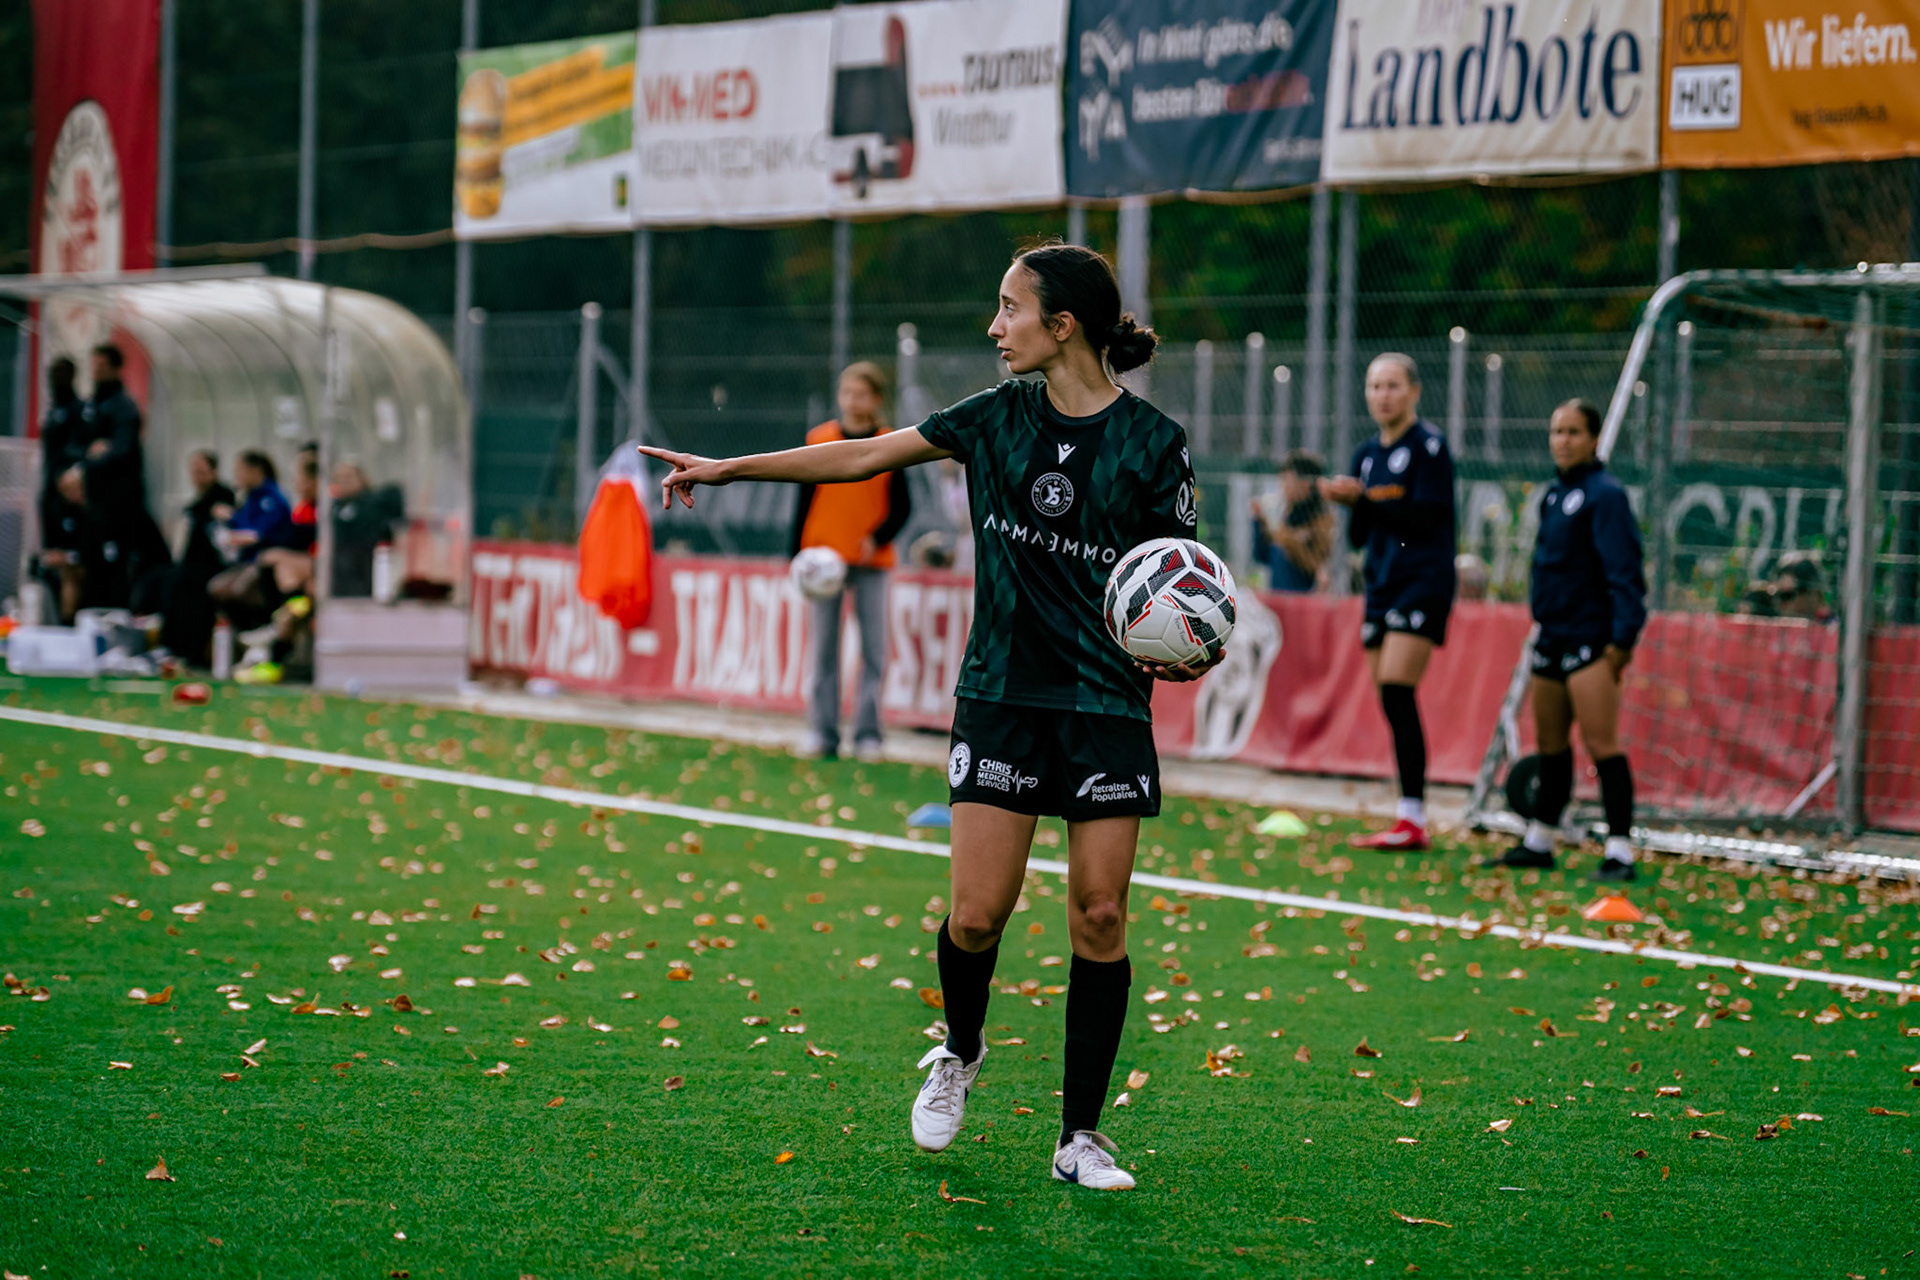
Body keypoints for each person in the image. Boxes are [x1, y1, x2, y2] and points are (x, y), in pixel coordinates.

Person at [641, 240, 1211, 1192]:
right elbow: (864, 453)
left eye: (1008, 308)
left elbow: (1180, 581)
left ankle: (1079, 1137)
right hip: (999, 696)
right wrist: (730, 468)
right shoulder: (993, 417)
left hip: (1107, 705)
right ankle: (963, 1050)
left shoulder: (1156, 443)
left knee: (1101, 914)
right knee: (979, 917)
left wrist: (1191, 636)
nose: (994, 327)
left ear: (1061, 325)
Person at [1494, 398, 1647, 882]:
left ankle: (1620, 848)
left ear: (1594, 438)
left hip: (1590, 640)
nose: (1563, 441)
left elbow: (1626, 575)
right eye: (1557, 431)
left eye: (1574, 432)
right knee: (1551, 745)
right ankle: (1540, 838)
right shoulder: (1554, 494)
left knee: (1603, 745)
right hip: (1551, 638)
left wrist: (1620, 642)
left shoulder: (1606, 496)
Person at [1318, 353, 1457, 852]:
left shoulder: (1430, 448)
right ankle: (1408, 815)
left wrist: (1367, 501)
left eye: (1393, 385)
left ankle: (1414, 817)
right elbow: (1358, 536)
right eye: (1375, 386)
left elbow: (1424, 519)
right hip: (1380, 587)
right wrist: (1349, 502)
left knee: (1397, 688)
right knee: (1391, 699)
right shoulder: (1365, 454)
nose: (1383, 395)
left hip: (1422, 582)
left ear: (1414, 391)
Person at [790, 362, 913, 761]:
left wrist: (876, 538)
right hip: (822, 561)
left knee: (874, 651)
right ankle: (822, 734)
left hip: (871, 562)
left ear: (876, 399)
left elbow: (903, 506)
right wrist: (796, 554)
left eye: (862, 394)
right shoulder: (819, 439)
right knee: (823, 650)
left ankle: (868, 735)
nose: (853, 401)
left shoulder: (890, 442)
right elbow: (804, 499)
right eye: (848, 393)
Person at [69, 344, 173, 614]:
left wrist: (97, 455)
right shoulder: (91, 404)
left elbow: (121, 450)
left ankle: (117, 618)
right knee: (91, 564)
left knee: (115, 565)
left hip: (119, 506)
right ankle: (90, 620)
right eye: (94, 365)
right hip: (94, 505)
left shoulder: (124, 407)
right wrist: (88, 455)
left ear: (115, 368)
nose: (96, 371)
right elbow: (75, 445)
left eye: (102, 366)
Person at [159, 449, 237, 662]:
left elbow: (225, 536)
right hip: (192, 564)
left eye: (201, 472)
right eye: (194, 472)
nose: (197, 477)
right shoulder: (195, 502)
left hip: (214, 564)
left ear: (213, 472)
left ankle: (191, 649)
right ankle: (170, 646)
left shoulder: (222, 497)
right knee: (169, 580)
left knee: (191, 586)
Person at [35, 357, 88, 621]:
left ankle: (68, 620)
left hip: (64, 492)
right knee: (48, 560)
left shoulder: (77, 409)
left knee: (70, 566)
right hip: (50, 489)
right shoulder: (52, 409)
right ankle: (50, 618)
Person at [1250, 448, 1333, 593]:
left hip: (1305, 603)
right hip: (1280, 599)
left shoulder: (1323, 519)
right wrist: (1259, 523)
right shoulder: (1288, 516)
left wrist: (1287, 539)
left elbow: (1315, 565)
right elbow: (1264, 556)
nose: (1283, 486)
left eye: (1287, 480)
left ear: (1306, 483)